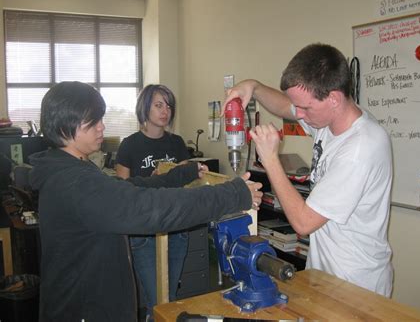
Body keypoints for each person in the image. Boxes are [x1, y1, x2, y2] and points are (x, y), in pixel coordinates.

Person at [29, 81, 262, 322]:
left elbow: (126, 188)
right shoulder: (74, 181)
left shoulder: (70, 169)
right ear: (68, 124)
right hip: (85, 310)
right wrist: (234, 194)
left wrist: (181, 174)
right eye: (94, 121)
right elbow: (150, 207)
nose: (102, 127)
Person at [223, 43, 393, 297]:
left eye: (305, 108)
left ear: (333, 98)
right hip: (324, 274)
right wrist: (254, 87)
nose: (299, 115)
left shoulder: (361, 148)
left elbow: (303, 223)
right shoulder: (329, 120)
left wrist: (270, 159)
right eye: (298, 107)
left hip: (356, 284)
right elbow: (284, 106)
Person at [115, 84, 190, 319]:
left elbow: (186, 182)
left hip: (176, 227)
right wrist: (153, 179)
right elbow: (121, 192)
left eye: (168, 105)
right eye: (158, 105)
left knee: (170, 299)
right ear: (144, 107)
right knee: (156, 302)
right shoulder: (129, 145)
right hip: (145, 232)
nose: (165, 110)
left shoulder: (177, 143)